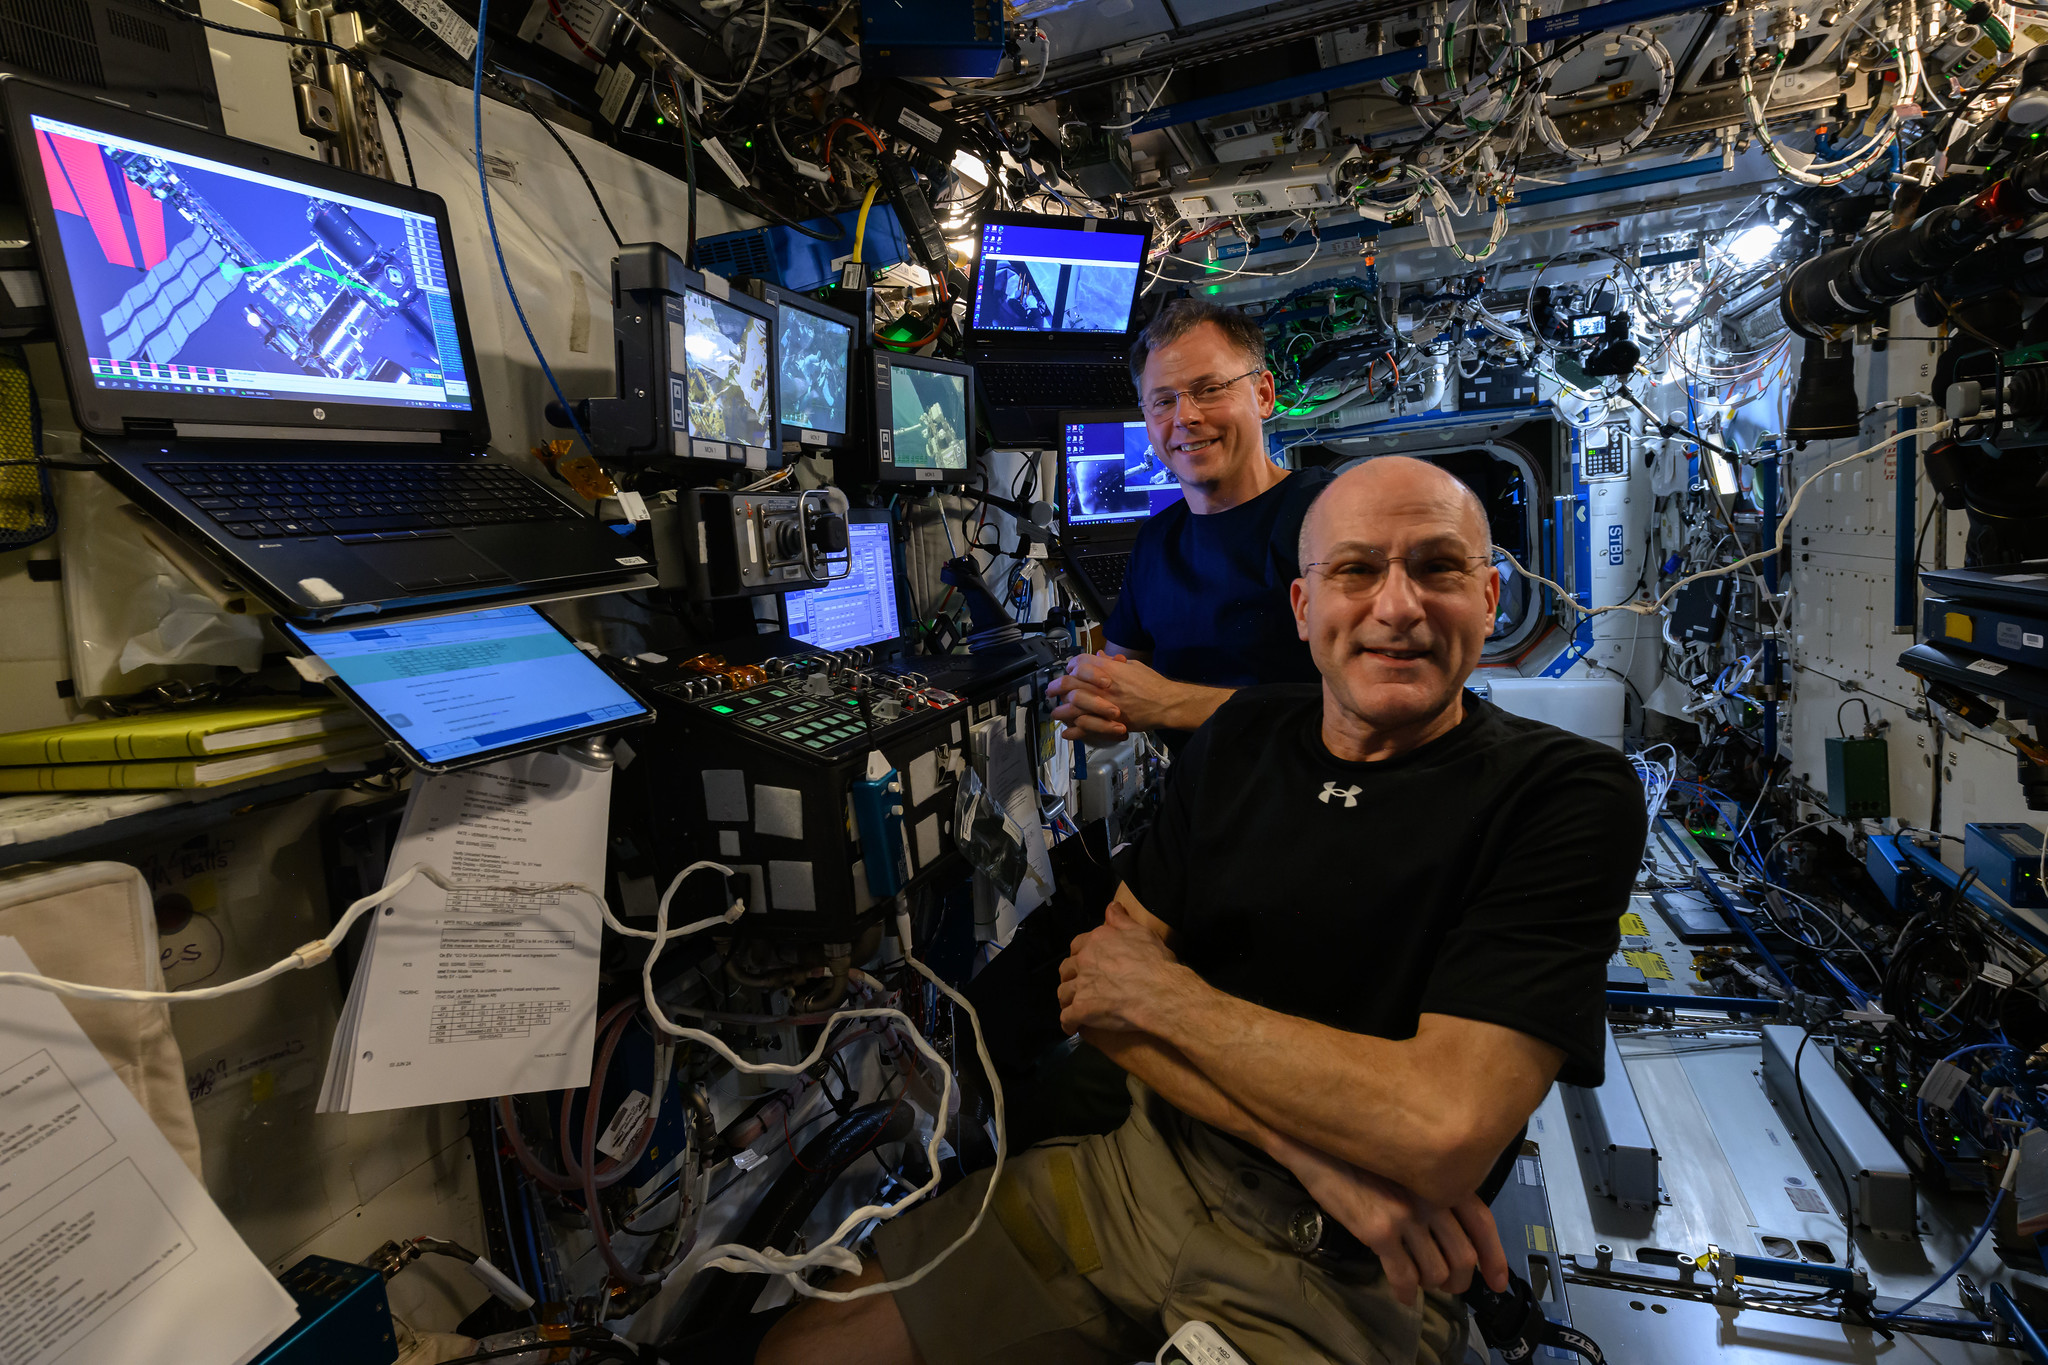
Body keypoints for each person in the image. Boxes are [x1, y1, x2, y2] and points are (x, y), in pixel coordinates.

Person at [757, 456, 1647, 1365]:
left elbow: (1439, 1130)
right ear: (1303, 609)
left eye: (1437, 567)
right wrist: (1324, 1162)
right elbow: (1096, 1003)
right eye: (1355, 570)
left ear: (1492, 597)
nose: (1396, 606)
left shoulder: (1565, 793)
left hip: (1360, 1267)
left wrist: (1168, 998)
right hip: (1149, 1175)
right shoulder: (1239, 739)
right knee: (807, 1348)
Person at [1048, 298, 1333, 746]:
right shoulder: (1158, 541)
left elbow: (1369, 705)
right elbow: (1115, 681)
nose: (1185, 417)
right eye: (1163, 401)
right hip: (1197, 806)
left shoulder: (1330, 517)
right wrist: (1097, 708)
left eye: (1210, 389)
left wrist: (1169, 703)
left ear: (1263, 394)